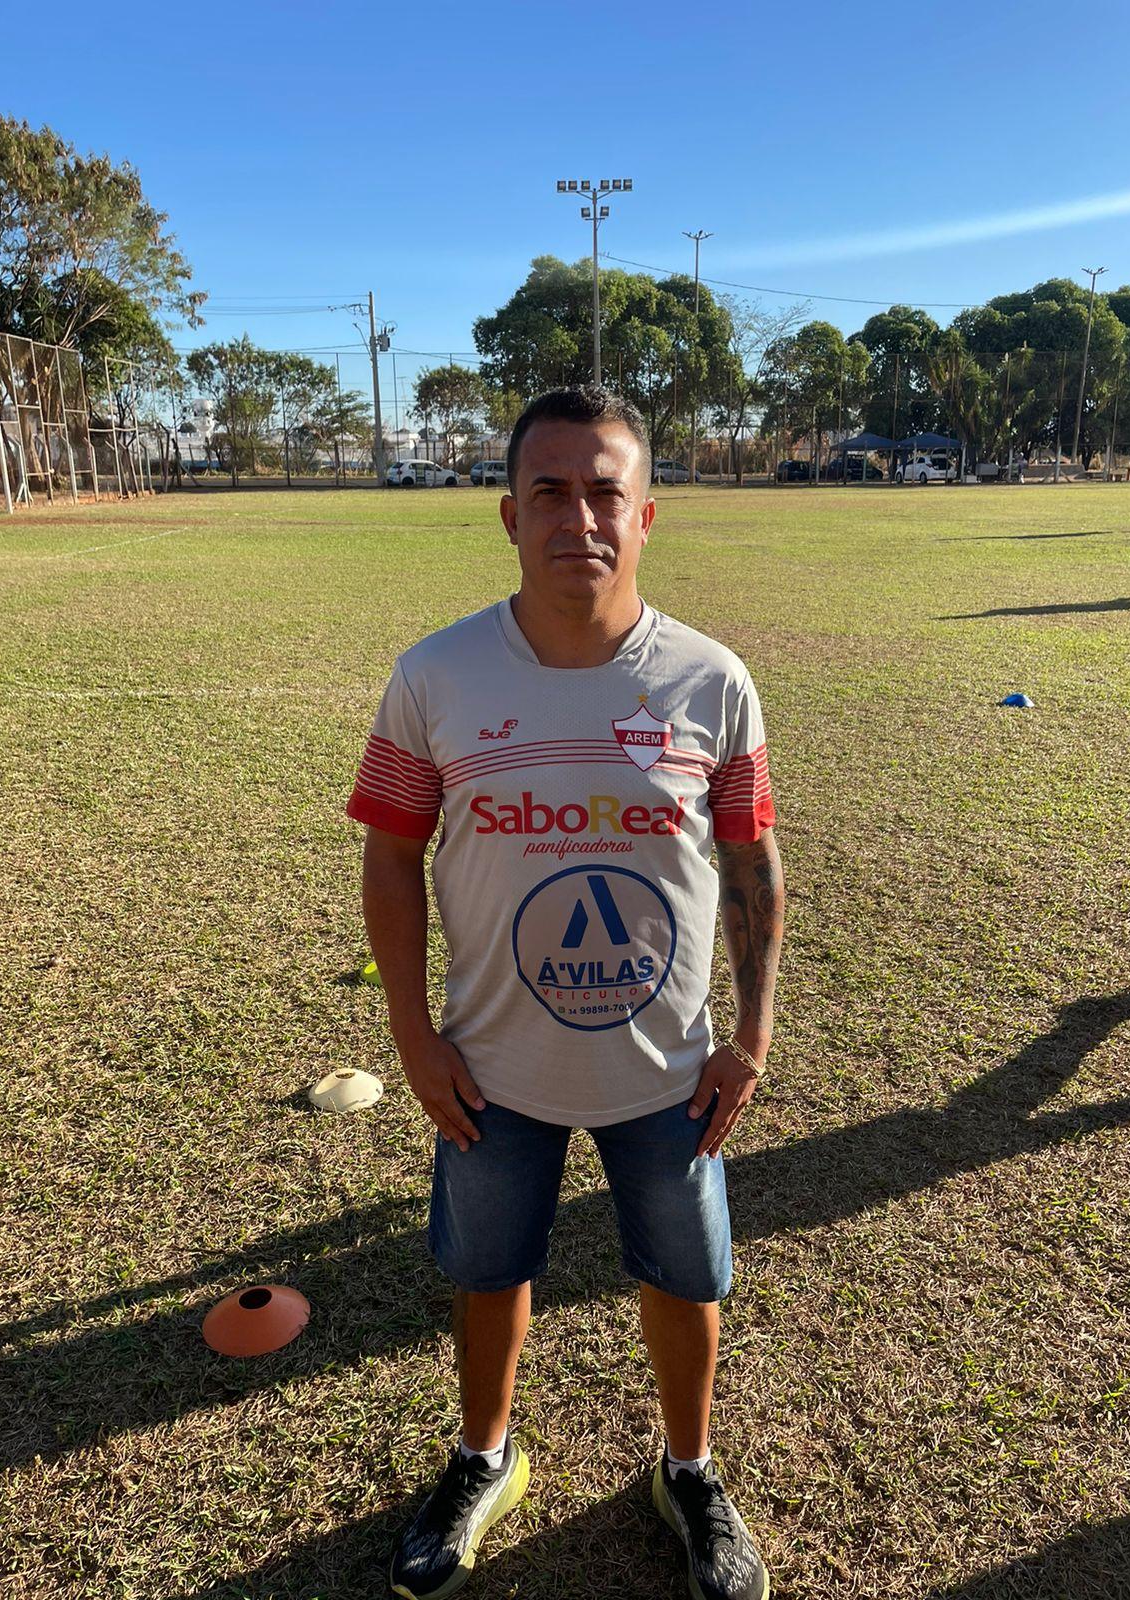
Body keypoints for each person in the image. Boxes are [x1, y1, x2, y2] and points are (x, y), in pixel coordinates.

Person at [348, 386, 784, 1600]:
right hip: (493, 1067)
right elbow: (389, 850)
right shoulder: (436, 675)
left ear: (647, 514)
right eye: (550, 491)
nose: (577, 517)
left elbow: (749, 858)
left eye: (604, 491)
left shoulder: (711, 680)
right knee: (489, 1270)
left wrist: (750, 1034)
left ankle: (687, 1469)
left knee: (686, 1277)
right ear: (507, 514)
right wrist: (410, 1031)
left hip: (670, 1069)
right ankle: (484, 1456)